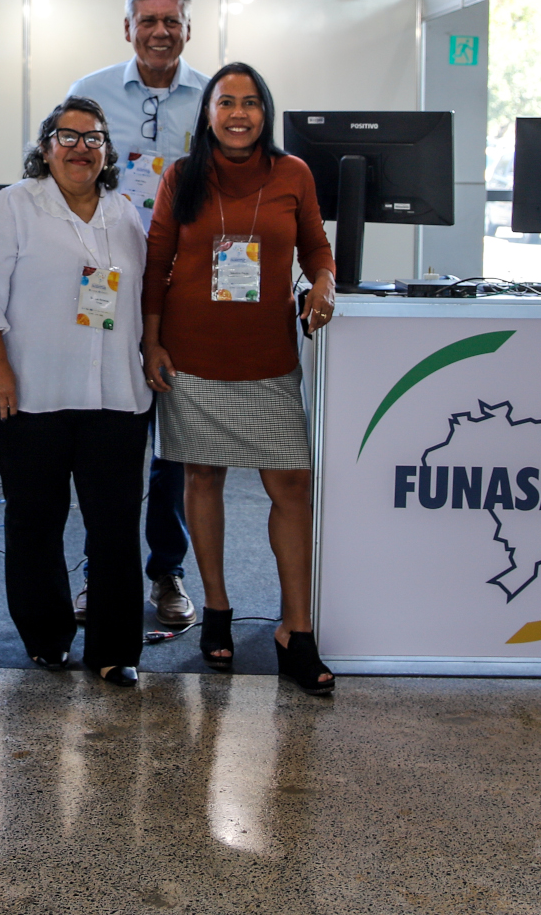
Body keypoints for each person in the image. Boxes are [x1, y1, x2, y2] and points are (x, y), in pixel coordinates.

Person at [141, 62, 339, 696]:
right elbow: (155, 263)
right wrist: (151, 340)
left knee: (291, 487)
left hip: (268, 359)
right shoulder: (183, 176)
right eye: (226, 102)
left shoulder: (293, 175)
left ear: (266, 111)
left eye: (251, 103)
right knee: (203, 478)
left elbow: (316, 247)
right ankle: (217, 610)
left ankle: (296, 629)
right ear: (208, 113)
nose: (238, 114)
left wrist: (323, 284)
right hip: (193, 355)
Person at [0, 97, 151, 686]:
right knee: (37, 520)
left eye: (92, 139)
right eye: (66, 137)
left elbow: (142, 298)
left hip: (116, 395)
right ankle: (46, 637)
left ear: (108, 152)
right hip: (33, 393)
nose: (80, 148)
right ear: (45, 148)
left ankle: (115, 648)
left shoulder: (124, 214)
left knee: (115, 525)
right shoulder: (15, 205)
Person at [64, 0, 210, 631]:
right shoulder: (89, 92)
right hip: (106, 283)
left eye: (171, 21)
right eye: (147, 20)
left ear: (187, 30)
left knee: (172, 445)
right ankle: (102, 570)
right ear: (127, 30)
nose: (160, 31)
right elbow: (58, 177)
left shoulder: (213, 99)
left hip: (180, 292)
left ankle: (166, 571)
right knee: (108, 437)